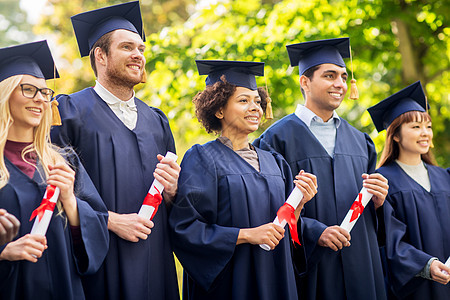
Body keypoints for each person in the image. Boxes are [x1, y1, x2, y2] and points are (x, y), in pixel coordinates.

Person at [50, 2, 180, 299]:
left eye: (141, 49)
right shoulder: (68, 112)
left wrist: (173, 189)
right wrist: (108, 220)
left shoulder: (157, 121)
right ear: (101, 55)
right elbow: (53, 188)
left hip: (154, 259)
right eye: (127, 47)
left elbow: (175, 201)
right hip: (99, 256)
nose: (138, 55)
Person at [169, 60, 318, 300]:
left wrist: (299, 205)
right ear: (219, 110)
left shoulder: (276, 162)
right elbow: (186, 227)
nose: (255, 108)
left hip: (275, 276)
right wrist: (247, 235)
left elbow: (286, 228)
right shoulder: (202, 158)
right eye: (243, 101)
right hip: (230, 282)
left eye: (257, 102)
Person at [254, 37, 389, 300]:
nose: (340, 84)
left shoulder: (361, 141)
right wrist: (315, 231)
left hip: (361, 262)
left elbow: (381, 220)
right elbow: (269, 208)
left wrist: (381, 203)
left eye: (343, 76)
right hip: (311, 267)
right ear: (305, 81)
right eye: (330, 75)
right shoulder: (275, 140)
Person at [0, 40, 108, 299]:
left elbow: (97, 234)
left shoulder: (63, 161)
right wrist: (3, 252)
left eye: (45, 92)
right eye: (28, 89)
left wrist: (70, 201)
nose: (40, 98)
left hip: (65, 289)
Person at [368, 81, 450, 299]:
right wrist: (425, 265)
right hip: (416, 288)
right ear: (395, 135)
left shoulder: (444, 177)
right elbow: (388, 241)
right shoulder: (383, 181)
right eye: (415, 127)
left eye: (428, 127)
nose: (425, 133)